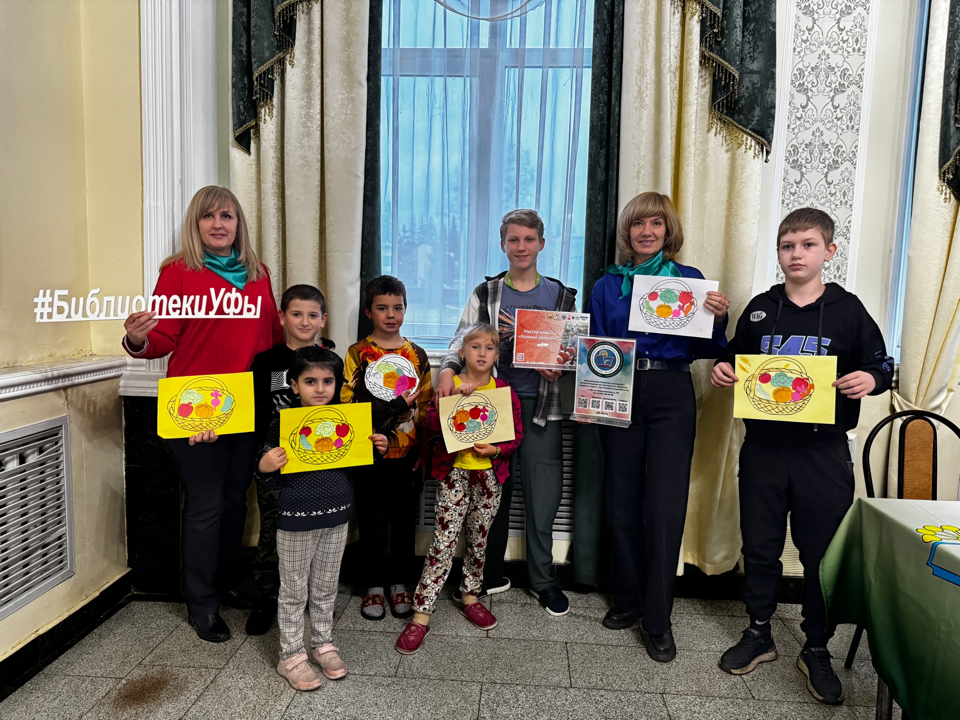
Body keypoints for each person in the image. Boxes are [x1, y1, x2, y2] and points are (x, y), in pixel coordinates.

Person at [710, 208, 893, 704]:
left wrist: (871, 378)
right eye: (787, 245)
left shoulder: (848, 310)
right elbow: (733, 357)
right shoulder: (760, 308)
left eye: (808, 245)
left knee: (820, 554)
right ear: (778, 252)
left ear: (828, 251)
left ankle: (816, 646)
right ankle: (759, 631)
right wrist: (724, 369)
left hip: (823, 453)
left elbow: (882, 363)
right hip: (764, 450)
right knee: (760, 547)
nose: (796, 254)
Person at [121, 185, 283, 643]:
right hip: (194, 407)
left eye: (226, 216)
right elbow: (162, 338)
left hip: (246, 406)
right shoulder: (177, 272)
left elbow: (271, 339)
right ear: (196, 224)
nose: (218, 224)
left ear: (238, 223)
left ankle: (223, 583)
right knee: (206, 504)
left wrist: (297, 371)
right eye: (208, 216)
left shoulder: (259, 274)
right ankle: (202, 604)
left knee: (234, 503)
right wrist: (136, 339)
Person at [585, 191, 731, 662]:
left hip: (671, 392)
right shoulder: (607, 285)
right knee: (622, 504)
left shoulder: (690, 282)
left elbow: (710, 349)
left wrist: (718, 318)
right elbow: (595, 346)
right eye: (637, 223)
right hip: (618, 388)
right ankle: (628, 599)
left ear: (669, 231)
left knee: (664, 509)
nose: (646, 231)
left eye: (656, 223)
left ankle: (658, 618)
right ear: (627, 232)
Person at [435, 209, 578, 617]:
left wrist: (563, 365)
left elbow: (574, 352)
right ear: (503, 245)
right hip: (492, 405)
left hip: (543, 408)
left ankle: (543, 581)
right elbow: (460, 341)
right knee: (487, 491)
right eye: (513, 240)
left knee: (543, 495)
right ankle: (485, 575)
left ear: (541, 244)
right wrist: (446, 370)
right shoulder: (486, 293)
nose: (521, 247)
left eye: (529, 239)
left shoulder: (561, 296)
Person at [255, 346, 389, 690]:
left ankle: (322, 643)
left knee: (326, 587)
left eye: (327, 381)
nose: (319, 388)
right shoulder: (282, 422)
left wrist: (377, 449)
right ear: (294, 385)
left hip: (336, 516)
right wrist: (265, 467)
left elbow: (360, 466)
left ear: (337, 384)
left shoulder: (346, 420)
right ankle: (291, 655)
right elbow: (265, 471)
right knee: (293, 590)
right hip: (294, 519)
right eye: (310, 381)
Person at [396, 323, 523, 655]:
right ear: (462, 352)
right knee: (443, 541)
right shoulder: (450, 386)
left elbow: (515, 434)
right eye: (475, 347)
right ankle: (421, 614)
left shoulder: (504, 390)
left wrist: (496, 450)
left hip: (489, 478)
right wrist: (452, 400)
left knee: (479, 541)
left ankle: (470, 596)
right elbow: (430, 425)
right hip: (454, 475)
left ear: (497, 354)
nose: (482, 353)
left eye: (489, 348)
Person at [341, 276, 433, 621]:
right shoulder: (357, 353)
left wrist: (425, 451)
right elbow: (348, 404)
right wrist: (387, 413)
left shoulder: (417, 355)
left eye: (397, 308)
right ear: (369, 312)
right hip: (369, 452)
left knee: (405, 519)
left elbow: (426, 408)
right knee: (372, 519)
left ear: (406, 310)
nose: (391, 315)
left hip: (408, 455)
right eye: (382, 308)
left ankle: (400, 582)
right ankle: (373, 584)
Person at [246, 284, 335, 635]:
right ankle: (266, 597)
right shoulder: (266, 362)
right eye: (296, 314)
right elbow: (255, 412)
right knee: (273, 526)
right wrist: (260, 457)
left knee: (316, 528)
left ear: (323, 320)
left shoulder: (330, 359)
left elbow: (340, 412)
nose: (304, 321)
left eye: (312, 315)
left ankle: (311, 596)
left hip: (318, 459)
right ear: (282, 317)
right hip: (276, 458)